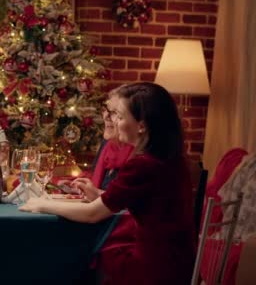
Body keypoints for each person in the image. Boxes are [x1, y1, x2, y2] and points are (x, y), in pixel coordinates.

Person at [20, 82, 195, 285]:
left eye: (120, 117)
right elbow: (146, 203)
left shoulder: (143, 164)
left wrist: (41, 204)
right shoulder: (170, 159)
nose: (115, 122)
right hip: (179, 262)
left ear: (142, 125)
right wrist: (101, 195)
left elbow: (92, 214)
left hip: (155, 269)